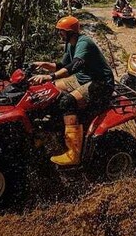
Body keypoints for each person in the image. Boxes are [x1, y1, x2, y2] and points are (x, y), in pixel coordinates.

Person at [30, 16, 115, 167]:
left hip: (100, 83)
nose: (59, 35)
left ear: (70, 32)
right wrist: (43, 65)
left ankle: (73, 153)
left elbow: (75, 65)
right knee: (49, 91)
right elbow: (63, 65)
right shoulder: (70, 44)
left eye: (61, 32)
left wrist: (49, 76)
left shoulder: (84, 42)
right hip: (82, 79)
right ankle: (50, 129)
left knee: (67, 101)